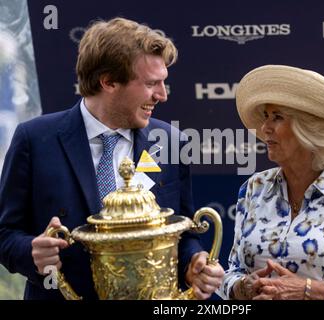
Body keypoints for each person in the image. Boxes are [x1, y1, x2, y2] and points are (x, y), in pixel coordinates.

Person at [0, 17, 224, 300]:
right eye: (151, 83)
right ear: (108, 82)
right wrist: (31, 251)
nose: (162, 95)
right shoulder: (34, 139)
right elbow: (5, 233)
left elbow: (183, 232)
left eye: (163, 82)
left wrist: (194, 264)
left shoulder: (169, 141)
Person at [218, 65, 324, 300]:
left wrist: (307, 290)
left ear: (310, 128)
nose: (264, 127)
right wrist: (242, 287)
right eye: (266, 117)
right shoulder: (255, 187)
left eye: (277, 117)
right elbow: (233, 271)